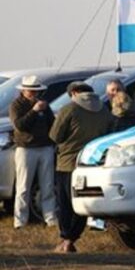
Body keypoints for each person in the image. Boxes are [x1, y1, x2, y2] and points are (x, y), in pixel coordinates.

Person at [49, 81, 115, 253]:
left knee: (64, 204)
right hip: (91, 165)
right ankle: (73, 238)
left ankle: (65, 239)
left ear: (75, 93)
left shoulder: (69, 109)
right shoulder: (104, 110)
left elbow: (55, 136)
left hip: (67, 163)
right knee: (81, 204)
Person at [8, 75, 57, 229]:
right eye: (31, 91)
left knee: (47, 185)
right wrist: (34, 111)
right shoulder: (16, 106)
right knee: (23, 186)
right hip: (25, 149)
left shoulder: (44, 105)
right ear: (23, 90)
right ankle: (20, 221)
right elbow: (20, 125)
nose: (33, 94)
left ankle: (50, 218)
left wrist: (53, 142)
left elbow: (52, 124)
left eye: (36, 91)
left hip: (45, 148)